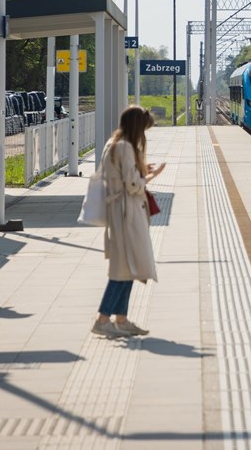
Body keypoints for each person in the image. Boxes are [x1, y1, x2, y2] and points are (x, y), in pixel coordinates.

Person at [92, 105, 165, 339]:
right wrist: (153, 174)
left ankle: (121, 320)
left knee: (127, 267)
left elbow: (122, 176)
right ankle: (103, 319)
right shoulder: (125, 147)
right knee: (122, 269)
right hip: (126, 212)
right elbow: (133, 184)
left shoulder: (113, 143)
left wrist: (142, 168)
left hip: (120, 211)